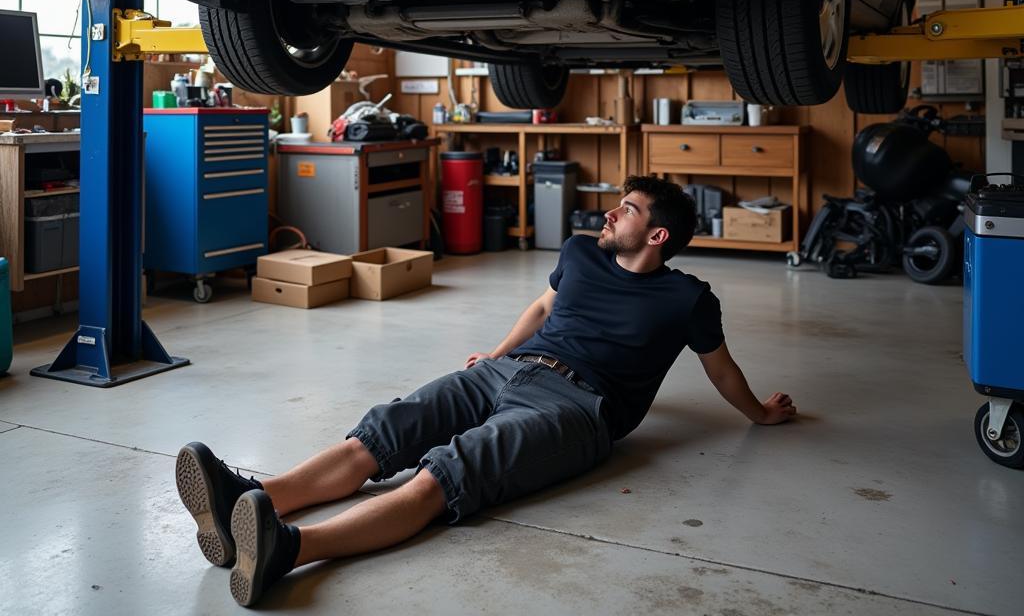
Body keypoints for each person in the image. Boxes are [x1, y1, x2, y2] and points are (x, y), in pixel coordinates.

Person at [175, 175, 796, 607]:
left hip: (577, 407)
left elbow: (719, 367)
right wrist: (495, 355)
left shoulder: (686, 297)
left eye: (627, 208)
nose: (610, 212)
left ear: (658, 235)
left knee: (445, 474)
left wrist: (759, 415)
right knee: (386, 429)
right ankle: (252, 499)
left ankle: (288, 549)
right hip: (509, 369)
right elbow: (544, 304)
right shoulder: (580, 253)